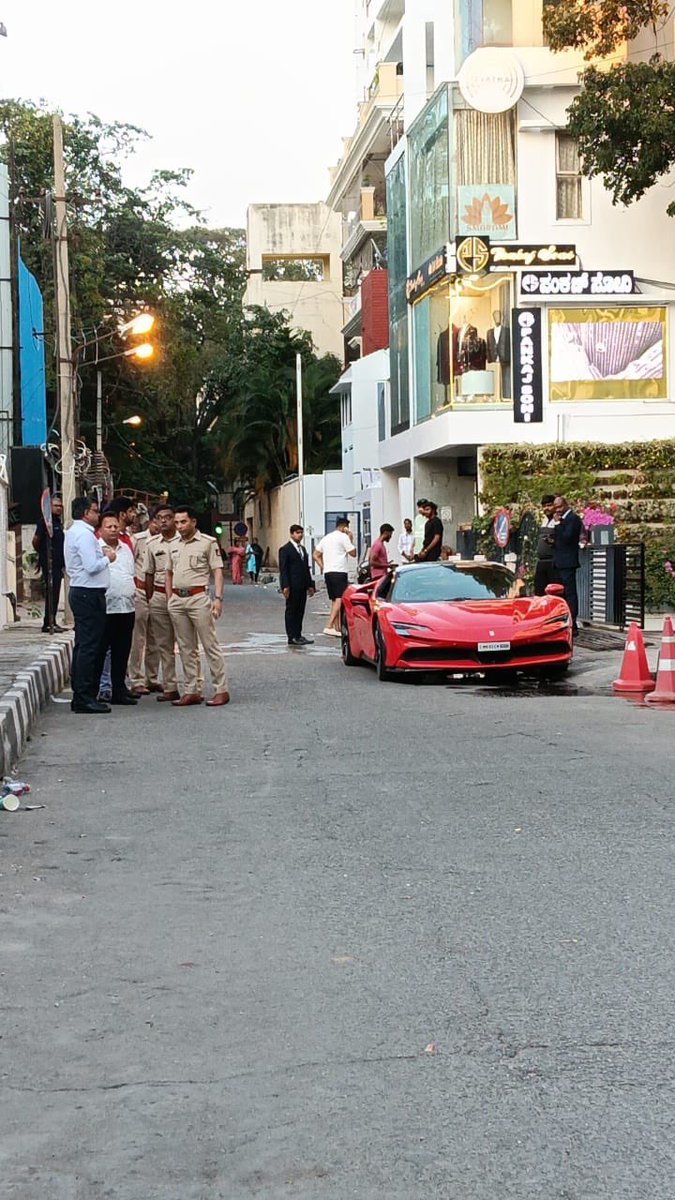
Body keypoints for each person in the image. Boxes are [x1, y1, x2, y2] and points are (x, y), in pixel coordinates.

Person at [166, 505, 230, 707]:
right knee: (186, 647)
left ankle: (221, 690)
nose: (179, 526)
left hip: (198, 598)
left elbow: (217, 571)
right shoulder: (173, 544)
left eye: (183, 522)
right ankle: (192, 690)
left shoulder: (207, 542)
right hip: (177, 599)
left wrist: (218, 599)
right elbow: (168, 572)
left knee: (210, 645)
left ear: (193, 522)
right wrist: (169, 598)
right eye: (177, 522)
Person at [64, 496, 115, 714]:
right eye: (95, 511)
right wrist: (109, 557)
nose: (98, 515)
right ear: (86, 513)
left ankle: (81, 695)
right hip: (88, 593)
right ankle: (84, 696)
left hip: (84, 592)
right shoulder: (84, 534)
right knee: (89, 647)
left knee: (84, 645)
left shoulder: (75, 532)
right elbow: (92, 566)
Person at [97, 514, 138, 705]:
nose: (113, 529)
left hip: (126, 607)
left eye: (115, 526)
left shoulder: (126, 549)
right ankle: (101, 688)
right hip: (106, 608)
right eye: (109, 526)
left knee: (122, 650)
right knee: (102, 651)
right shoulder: (96, 549)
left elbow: (130, 574)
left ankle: (119, 689)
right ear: (101, 530)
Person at [144, 504, 182, 702]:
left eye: (168, 517)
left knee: (187, 643)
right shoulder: (151, 544)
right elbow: (148, 573)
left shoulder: (184, 541)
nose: (164, 521)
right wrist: (151, 598)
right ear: (156, 521)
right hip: (158, 596)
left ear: (174, 519)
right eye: (160, 518)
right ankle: (170, 686)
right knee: (164, 645)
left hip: (181, 596)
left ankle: (194, 687)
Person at [127, 510, 162, 696]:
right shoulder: (138, 540)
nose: (160, 524)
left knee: (155, 638)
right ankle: (136, 679)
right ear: (151, 521)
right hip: (139, 591)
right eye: (158, 520)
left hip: (158, 592)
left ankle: (152, 678)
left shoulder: (168, 542)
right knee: (137, 638)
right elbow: (128, 564)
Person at [313, 516, 357, 637]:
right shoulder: (344, 537)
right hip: (339, 571)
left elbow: (315, 554)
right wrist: (350, 539)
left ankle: (337, 628)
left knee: (334, 600)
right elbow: (353, 553)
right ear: (345, 527)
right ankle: (329, 625)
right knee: (340, 598)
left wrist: (323, 566)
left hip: (328, 572)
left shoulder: (327, 538)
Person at [32, 493, 66, 632]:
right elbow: (36, 540)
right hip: (49, 562)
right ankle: (48, 622)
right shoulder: (44, 522)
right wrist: (43, 553)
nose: (59, 508)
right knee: (52, 591)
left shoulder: (57, 523)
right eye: (55, 505)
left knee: (56, 592)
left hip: (58, 563)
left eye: (60, 506)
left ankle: (52, 620)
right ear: (49, 507)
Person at [279, 524, 316, 646]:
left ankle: (298, 634)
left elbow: (306, 569)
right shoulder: (285, 549)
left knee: (300, 611)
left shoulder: (303, 549)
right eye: (297, 533)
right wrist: (285, 586)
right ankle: (292, 636)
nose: (300, 535)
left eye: (301, 532)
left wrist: (310, 585)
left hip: (302, 585)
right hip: (292, 585)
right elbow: (283, 569)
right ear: (292, 534)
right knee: (292, 611)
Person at [552, 495, 583, 634]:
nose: (557, 510)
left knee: (570, 593)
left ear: (565, 505)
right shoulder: (563, 520)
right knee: (561, 594)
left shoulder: (573, 518)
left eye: (559, 507)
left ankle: (572, 623)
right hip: (559, 561)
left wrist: (558, 524)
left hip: (568, 561)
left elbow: (568, 537)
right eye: (556, 507)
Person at [534, 495, 557, 596]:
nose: (546, 508)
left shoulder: (558, 521)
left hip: (553, 561)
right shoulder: (543, 520)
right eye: (544, 506)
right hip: (541, 561)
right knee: (539, 591)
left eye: (549, 505)